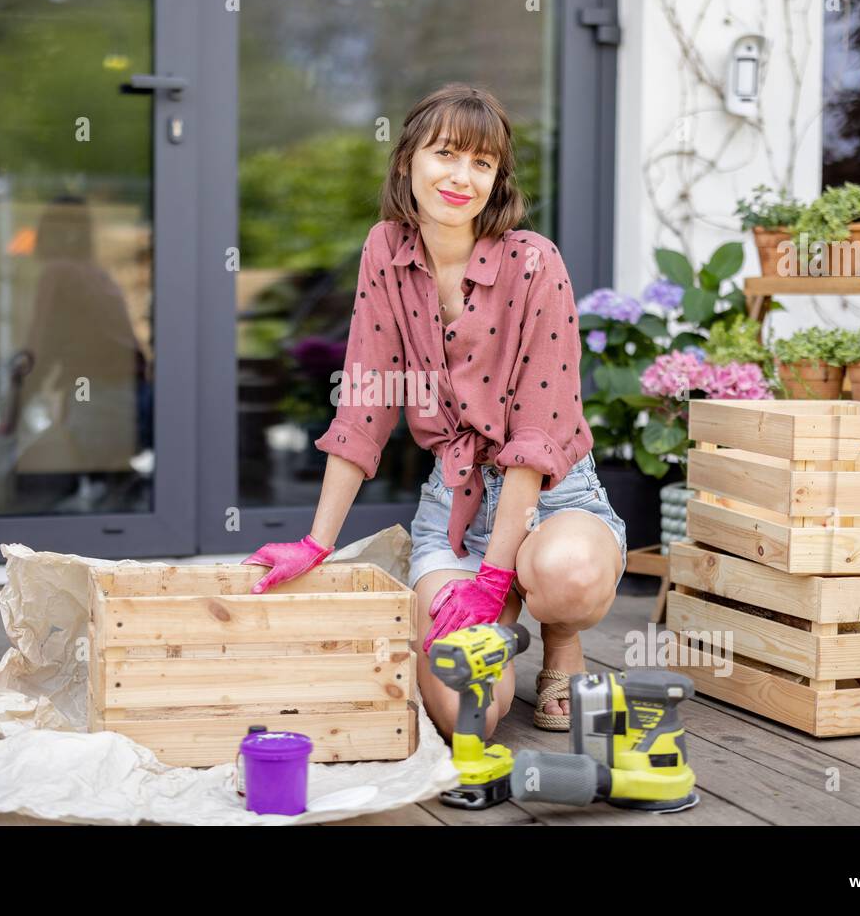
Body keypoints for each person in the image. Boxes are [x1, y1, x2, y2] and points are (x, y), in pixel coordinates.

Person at [241, 84, 627, 739]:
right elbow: (365, 400)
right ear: (407, 163)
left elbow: (534, 437)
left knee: (567, 576)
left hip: (555, 496)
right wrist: (316, 542)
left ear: (498, 178)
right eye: (446, 153)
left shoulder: (535, 262)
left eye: (482, 163)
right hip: (456, 511)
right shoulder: (385, 252)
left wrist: (496, 574)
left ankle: (559, 635)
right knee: (464, 711)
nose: (462, 176)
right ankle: (499, 624)